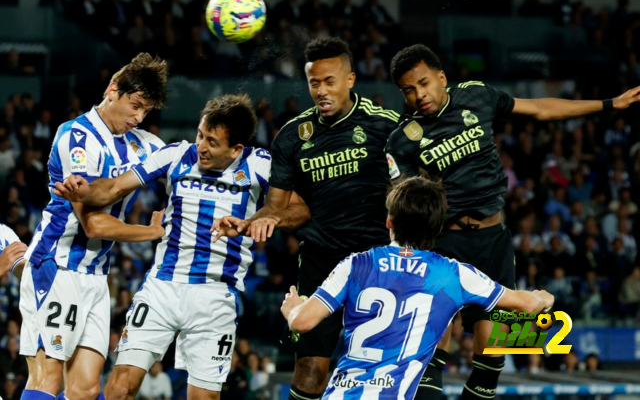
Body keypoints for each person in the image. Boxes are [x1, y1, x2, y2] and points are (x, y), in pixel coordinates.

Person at [384, 44, 640, 399]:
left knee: (493, 361)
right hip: (444, 244)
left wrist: (611, 104)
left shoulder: (477, 95)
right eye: (409, 90)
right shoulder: (402, 139)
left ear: (441, 77)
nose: (419, 95)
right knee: (430, 357)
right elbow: (402, 205)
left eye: (424, 83)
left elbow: (539, 109)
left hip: (495, 242)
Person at [53, 94, 308, 400]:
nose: (201, 146)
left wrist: (267, 219)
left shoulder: (259, 164)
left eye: (212, 142)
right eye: (200, 135)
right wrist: (84, 189)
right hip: (162, 287)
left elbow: (301, 210)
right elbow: (115, 187)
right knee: (120, 388)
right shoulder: (176, 155)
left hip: (215, 295)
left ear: (236, 149)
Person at [214, 37, 401, 400]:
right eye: (314, 83)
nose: (321, 90)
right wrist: (253, 221)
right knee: (311, 368)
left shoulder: (385, 126)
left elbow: (409, 190)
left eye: (329, 81)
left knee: (378, 369)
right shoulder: (291, 137)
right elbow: (276, 206)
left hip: (377, 260)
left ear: (350, 80)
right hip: (321, 262)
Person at [281, 175, 555, 400]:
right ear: (437, 229)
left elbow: (302, 322)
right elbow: (527, 305)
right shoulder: (452, 274)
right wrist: (542, 298)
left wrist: (293, 309)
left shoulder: (357, 264)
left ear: (389, 222)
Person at [18, 53, 168, 400]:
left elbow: (185, 158)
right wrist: (151, 232)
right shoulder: (77, 137)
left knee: (85, 389)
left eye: (146, 111)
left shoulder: (142, 143)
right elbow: (94, 224)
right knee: (47, 379)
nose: (138, 117)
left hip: (97, 276)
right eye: (135, 106)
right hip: (56, 266)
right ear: (112, 90)